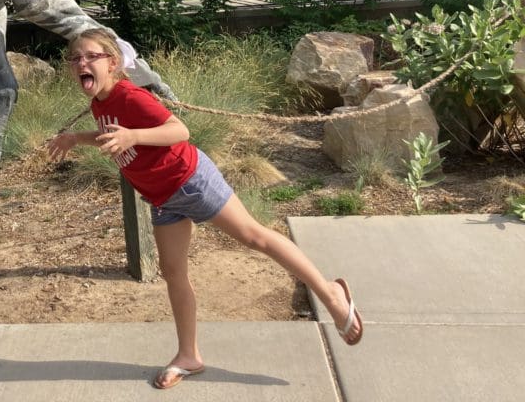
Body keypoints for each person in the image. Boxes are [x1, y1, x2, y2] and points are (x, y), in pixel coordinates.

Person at [46, 27, 363, 390]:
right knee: (173, 273)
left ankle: (331, 294)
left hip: (190, 181)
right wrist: (76, 139)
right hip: (163, 197)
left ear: (114, 63)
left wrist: (133, 136)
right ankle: (189, 356)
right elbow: (110, 134)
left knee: (255, 237)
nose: (81, 63)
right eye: (75, 59)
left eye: (91, 56)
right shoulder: (100, 102)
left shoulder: (129, 96)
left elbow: (178, 130)